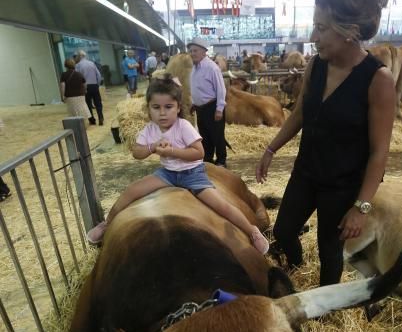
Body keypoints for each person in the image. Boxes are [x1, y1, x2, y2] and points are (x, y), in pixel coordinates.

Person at [256, 0, 395, 286]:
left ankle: (325, 308)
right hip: (307, 171)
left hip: (343, 184)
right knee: (283, 231)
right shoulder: (316, 66)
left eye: (321, 28)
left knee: (329, 250)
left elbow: (379, 152)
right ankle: (296, 267)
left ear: (350, 32)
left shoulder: (377, 79)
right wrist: (270, 148)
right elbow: (301, 113)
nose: (312, 36)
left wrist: (361, 207)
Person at [87, 76, 268, 254]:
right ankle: (107, 224)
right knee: (131, 192)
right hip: (168, 174)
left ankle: (252, 231)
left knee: (222, 206)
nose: (162, 113)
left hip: (193, 174)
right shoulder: (151, 129)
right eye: (156, 107)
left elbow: (199, 153)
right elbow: (137, 152)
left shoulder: (184, 126)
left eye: (168, 107)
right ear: (148, 109)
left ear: (178, 108)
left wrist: (171, 151)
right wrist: (152, 147)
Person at [188, 38, 228, 167]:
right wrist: (194, 103)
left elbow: (221, 89)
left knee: (217, 136)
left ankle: (221, 160)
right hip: (201, 108)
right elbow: (197, 87)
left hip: (212, 107)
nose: (192, 53)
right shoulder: (194, 68)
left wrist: (219, 109)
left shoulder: (212, 68)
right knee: (204, 135)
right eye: (191, 51)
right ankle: (208, 159)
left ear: (204, 52)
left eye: (195, 50)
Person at [75, 51, 104, 125]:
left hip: (85, 87)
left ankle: (92, 120)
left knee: (88, 104)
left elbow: (77, 78)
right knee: (98, 102)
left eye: (77, 56)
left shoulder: (78, 65)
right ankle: (100, 117)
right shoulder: (92, 63)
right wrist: (97, 84)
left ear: (80, 56)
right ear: (84, 56)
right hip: (94, 85)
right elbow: (99, 75)